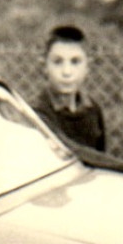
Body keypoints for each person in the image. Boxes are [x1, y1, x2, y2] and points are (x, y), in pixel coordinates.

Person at [33, 24, 108, 152]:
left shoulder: (92, 109)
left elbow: (102, 157)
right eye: (57, 62)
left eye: (75, 62)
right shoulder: (37, 111)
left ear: (87, 67)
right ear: (44, 66)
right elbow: (73, 152)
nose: (67, 72)